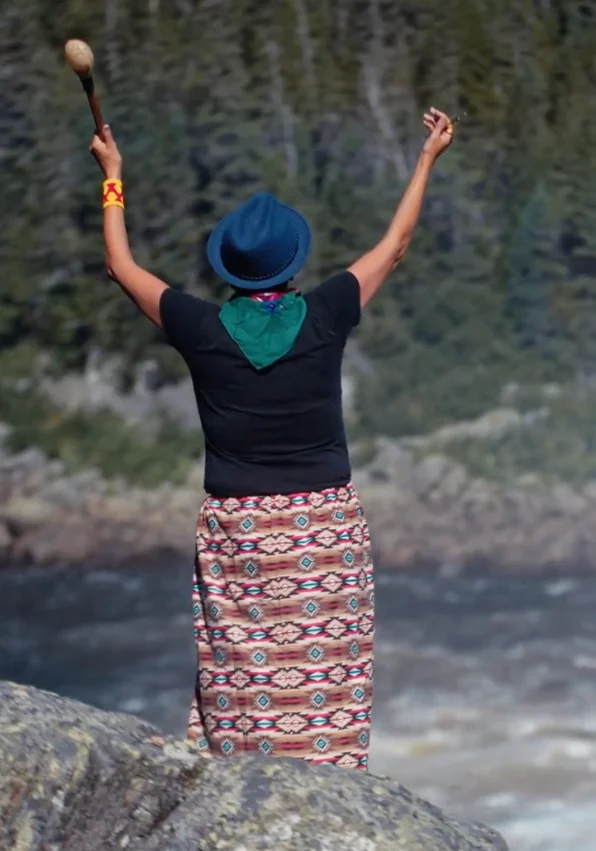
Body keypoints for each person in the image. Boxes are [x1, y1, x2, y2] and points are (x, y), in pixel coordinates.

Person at [90, 106, 453, 771]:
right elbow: (394, 245)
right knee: (327, 686)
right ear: (292, 265)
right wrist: (427, 157)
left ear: (230, 269)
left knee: (243, 680)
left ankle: (240, 797)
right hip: (323, 528)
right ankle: (330, 793)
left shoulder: (198, 326)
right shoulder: (327, 312)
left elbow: (119, 264)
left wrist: (112, 176)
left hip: (239, 533)